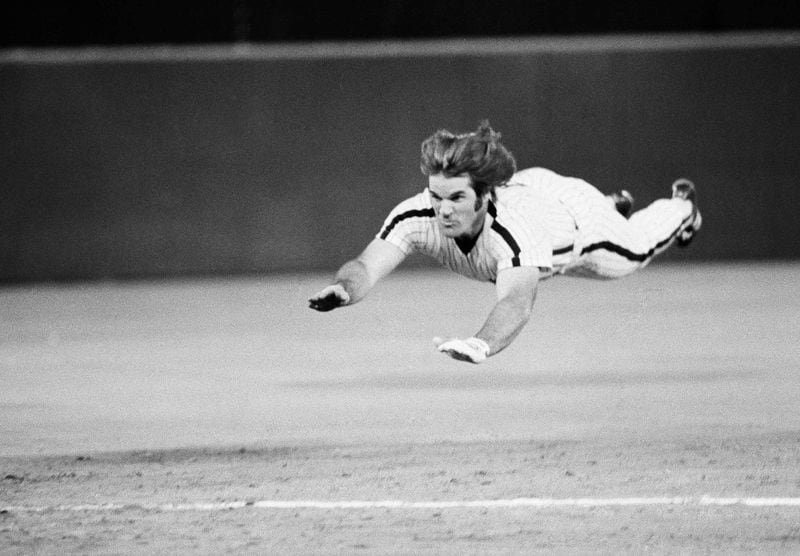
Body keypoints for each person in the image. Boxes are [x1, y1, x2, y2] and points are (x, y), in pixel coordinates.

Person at [308, 121, 701, 364]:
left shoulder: (513, 232)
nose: (442, 210)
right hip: (535, 192)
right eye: (436, 196)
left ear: (484, 196)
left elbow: (516, 302)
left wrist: (481, 344)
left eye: (457, 198)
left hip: (578, 221)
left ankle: (680, 209)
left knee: (636, 251)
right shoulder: (417, 215)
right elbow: (366, 264)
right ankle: (613, 203)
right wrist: (344, 288)